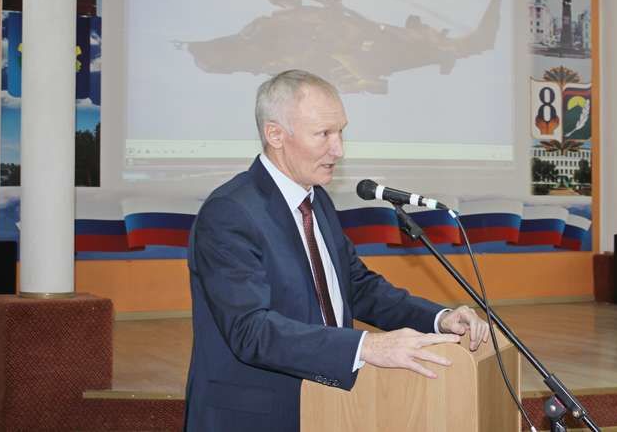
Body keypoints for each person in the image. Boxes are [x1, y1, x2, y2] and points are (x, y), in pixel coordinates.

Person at [184, 69, 489, 431]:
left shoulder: (317, 200)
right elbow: (251, 330)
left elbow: (355, 287)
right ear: (275, 134)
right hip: (254, 416)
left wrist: (439, 318)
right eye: (323, 134)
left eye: (341, 132)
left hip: (325, 406)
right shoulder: (230, 212)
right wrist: (366, 347)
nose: (338, 150)